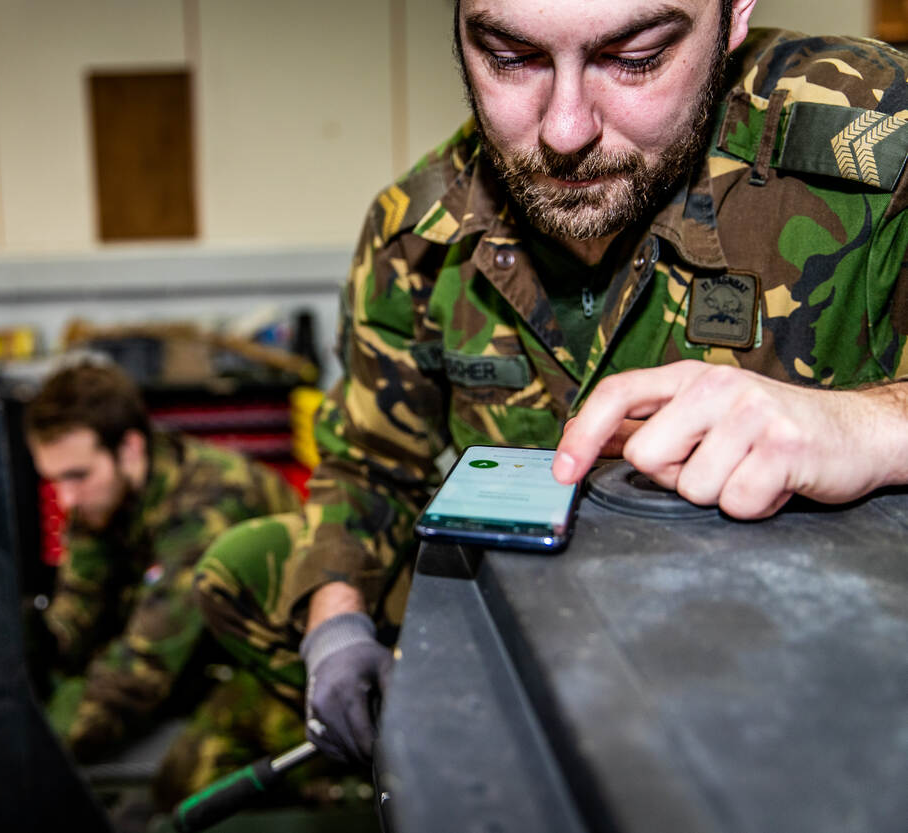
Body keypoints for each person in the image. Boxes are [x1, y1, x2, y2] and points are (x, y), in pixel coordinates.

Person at [194, 0, 908, 767]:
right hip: (543, 624)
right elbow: (369, 464)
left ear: (734, 13)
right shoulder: (420, 232)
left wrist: (871, 424)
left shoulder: (880, 139)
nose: (565, 132)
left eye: (636, 57)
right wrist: (336, 627)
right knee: (247, 565)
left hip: (798, 645)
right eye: (511, 56)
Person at [24, 360, 300, 784]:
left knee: (186, 782)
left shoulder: (211, 503)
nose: (66, 499)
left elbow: (144, 668)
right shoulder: (102, 499)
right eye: (55, 480)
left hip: (288, 667)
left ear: (130, 449)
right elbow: (77, 611)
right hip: (204, 656)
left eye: (77, 476)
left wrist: (29, 751)